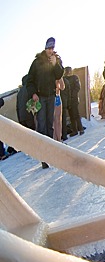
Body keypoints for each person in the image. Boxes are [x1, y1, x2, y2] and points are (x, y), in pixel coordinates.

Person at [26, 37, 64, 168]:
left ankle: (51, 153)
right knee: (41, 126)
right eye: (48, 48)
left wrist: (56, 64)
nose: (50, 50)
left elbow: (59, 75)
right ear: (45, 48)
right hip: (40, 97)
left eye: (52, 48)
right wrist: (33, 93)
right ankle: (43, 157)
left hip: (51, 96)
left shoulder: (56, 60)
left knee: (50, 125)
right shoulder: (37, 62)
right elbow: (29, 80)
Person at [63, 67, 84, 137]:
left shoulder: (75, 77)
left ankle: (80, 129)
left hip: (74, 99)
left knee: (76, 114)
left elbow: (77, 87)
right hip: (67, 99)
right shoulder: (64, 79)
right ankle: (74, 130)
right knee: (71, 115)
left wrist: (72, 95)